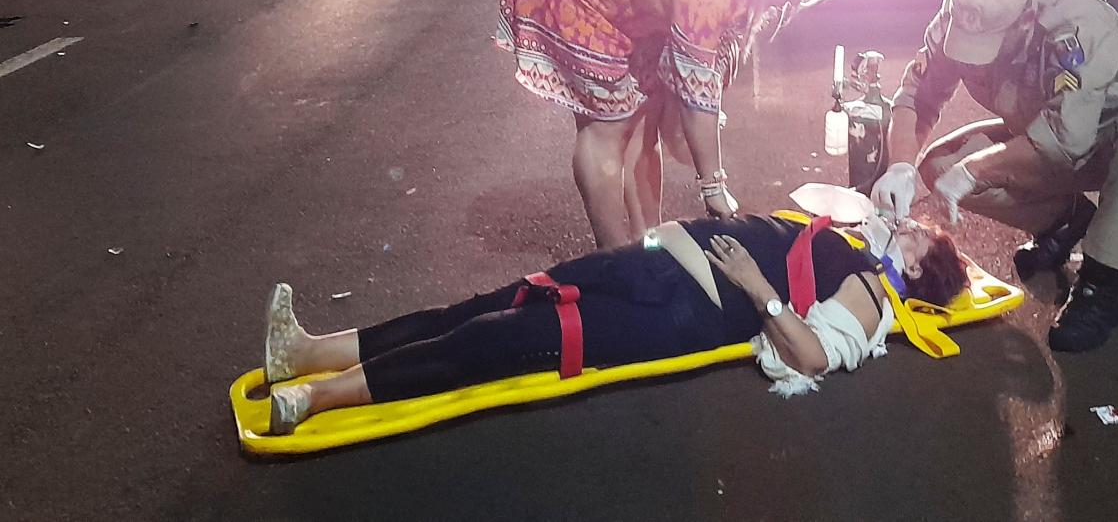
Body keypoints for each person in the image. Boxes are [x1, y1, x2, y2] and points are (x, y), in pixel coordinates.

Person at [260, 212, 968, 433]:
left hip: (674, 310)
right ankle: (307, 350)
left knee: (492, 342)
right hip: (655, 262)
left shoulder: (874, 295)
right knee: (479, 307)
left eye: (915, 234)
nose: (903, 223)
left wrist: (757, 286)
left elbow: (812, 357)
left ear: (918, 269)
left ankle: (315, 397)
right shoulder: (851, 238)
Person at [497, 0, 851, 249]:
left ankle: (649, 243)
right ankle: (614, 260)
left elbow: (683, 95)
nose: (790, 2)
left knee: (644, 115)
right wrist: (713, 186)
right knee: (607, 126)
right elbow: (697, 88)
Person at [870, 0, 1118, 353]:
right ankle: (1064, 222)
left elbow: (1067, 140)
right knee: (938, 167)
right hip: (1042, 132)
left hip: (1115, 140)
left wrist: (975, 169)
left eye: (987, 46)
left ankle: (1102, 285)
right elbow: (917, 97)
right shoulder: (961, 16)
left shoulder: (1077, 24)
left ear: (1024, 23)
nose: (973, 57)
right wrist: (901, 165)